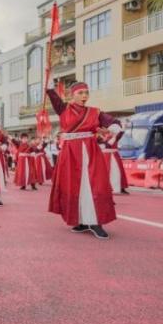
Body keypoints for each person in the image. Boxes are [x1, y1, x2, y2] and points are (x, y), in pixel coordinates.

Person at [46, 80, 121, 240]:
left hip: (90, 151)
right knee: (74, 186)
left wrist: (111, 128)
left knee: (93, 184)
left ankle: (95, 222)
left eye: (86, 93)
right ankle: (80, 220)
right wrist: (49, 75)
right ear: (71, 95)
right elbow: (52, 93)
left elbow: (114, 122)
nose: (84, 96)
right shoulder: (63, 109)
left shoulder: (95, 112)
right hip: (70, 152)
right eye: (80, 93)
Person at [99, 128, 129, 195]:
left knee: (118, 172)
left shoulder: (114, 137)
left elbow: (119, 134)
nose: (110, 133)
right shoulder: (100, 138)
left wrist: (121, 130)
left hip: (114, 156)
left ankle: (120, 187)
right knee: (106, 172)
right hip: (105, 156)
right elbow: (106, 145)